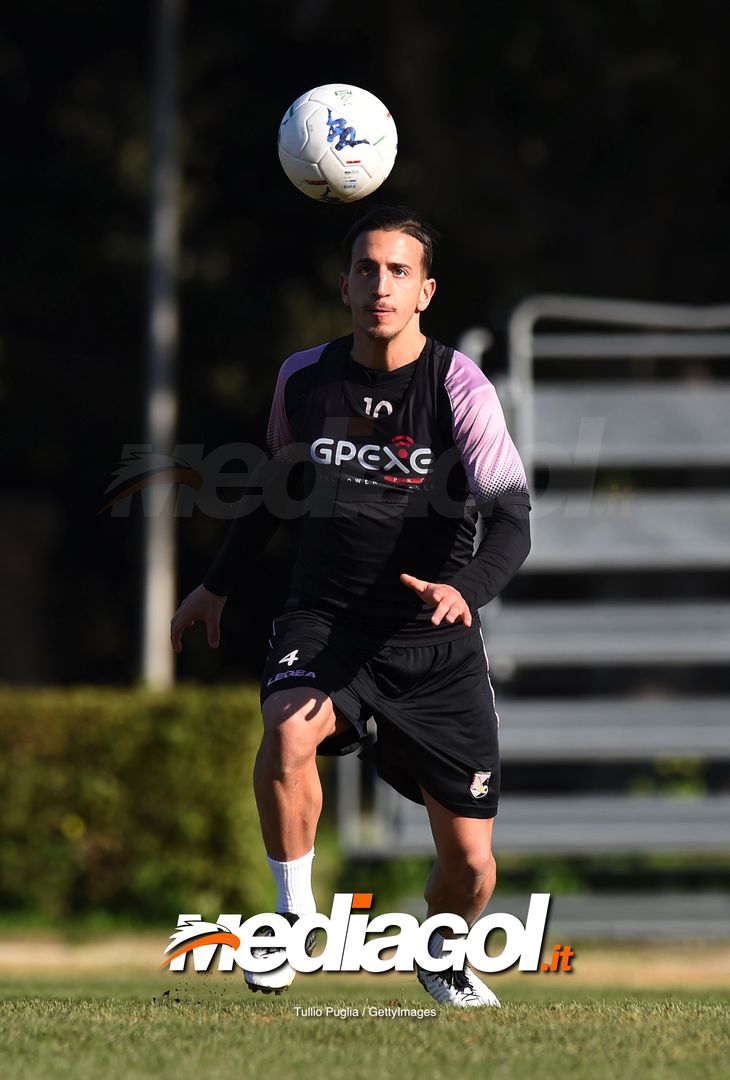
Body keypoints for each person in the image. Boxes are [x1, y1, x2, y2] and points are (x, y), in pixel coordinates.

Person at [170, 206, 531, 1008]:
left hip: (433, 644)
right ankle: (291, 920)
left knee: (472, 866)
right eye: (367, 269)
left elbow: (512, 516)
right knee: (287, 727)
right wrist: (216, 584)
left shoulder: (457, 385)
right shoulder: (305, 378)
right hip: (326, 620)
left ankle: (442, 956)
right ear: (344, 286)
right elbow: (274, 489)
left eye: (399, 271)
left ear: (426, 292)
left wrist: (464, 591)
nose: (381, 285)